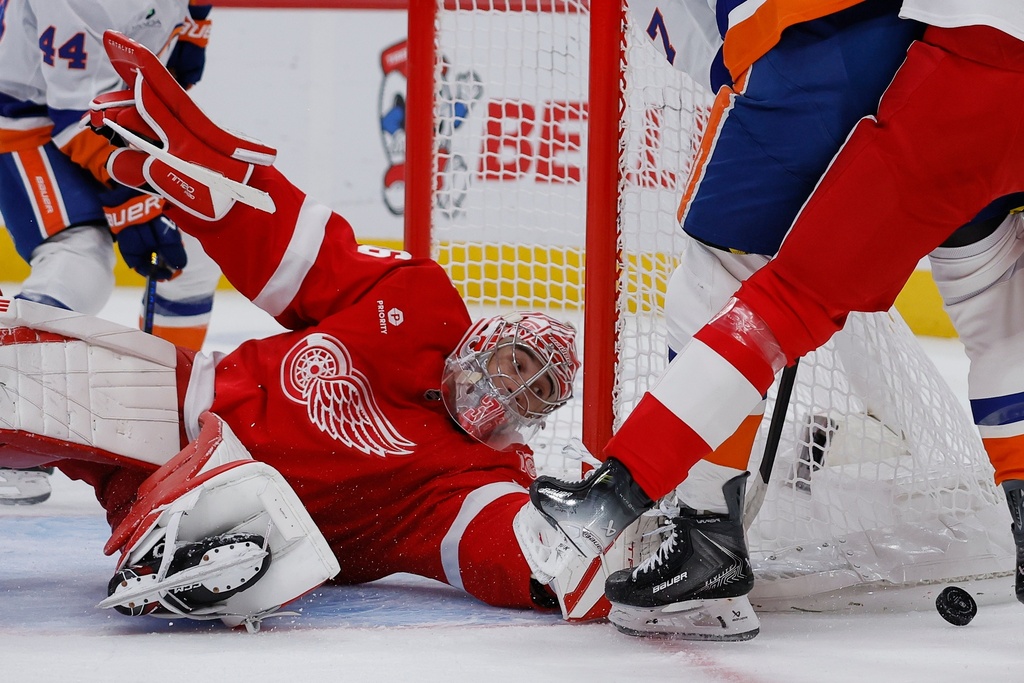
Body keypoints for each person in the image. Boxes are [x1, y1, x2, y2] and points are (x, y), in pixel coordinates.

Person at [0, 31, 599, 631]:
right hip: (177, 407)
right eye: (518, 367)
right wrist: (228, 200)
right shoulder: (419, 301)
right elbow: (304, 257)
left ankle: (194, 544)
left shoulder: (479, 473)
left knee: (254, 520)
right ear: (484, 341)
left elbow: (493, 544)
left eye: (534, 395)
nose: (512, 393)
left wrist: (574, 563)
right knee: (19, 365)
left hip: (243, 515)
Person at [528, 0, 1024, 640]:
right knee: (994, 292)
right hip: (937, 49)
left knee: (740, 284)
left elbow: (709, 43)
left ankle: (691, 526)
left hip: (832, 44)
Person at [0, 0, 221, 503]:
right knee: (82, 256)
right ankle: (7, 413)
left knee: (189, 255)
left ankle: (162, 430)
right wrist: (131, 205)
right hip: (21, 115)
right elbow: (72, 114)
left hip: (105, 115)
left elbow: (172, 63)